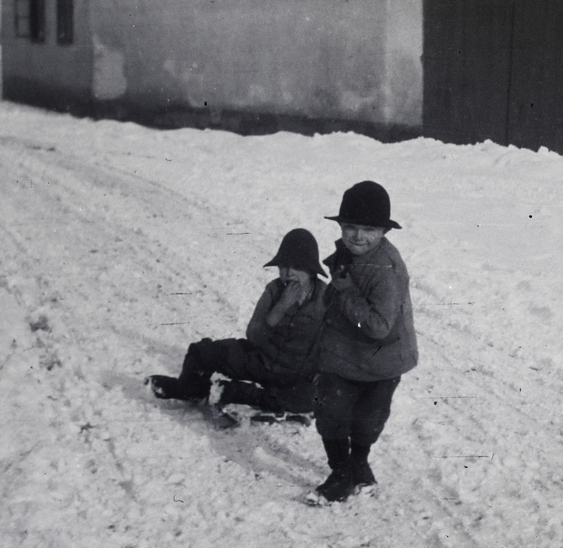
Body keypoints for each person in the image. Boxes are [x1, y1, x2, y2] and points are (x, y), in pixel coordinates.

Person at [147, 228, 327, 427]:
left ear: (311, 270)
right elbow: (254, 336)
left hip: (294, 376)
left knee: (315, 398)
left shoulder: (326, 299)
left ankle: (235, 393)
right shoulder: (274, 290)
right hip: (261, 363)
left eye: (297, 267)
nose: (289, 273)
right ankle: (189, 390)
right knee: (203, 352)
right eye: (284, 266)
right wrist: (280, 308)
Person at [309, 181, 417, 504]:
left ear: (384, 231)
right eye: (350, 227)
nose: (358, 236)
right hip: (345, 355)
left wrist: (345, 293)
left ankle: (359, 463)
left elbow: (379, 326)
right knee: (330, 408)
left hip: (383, 359)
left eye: (368, 229)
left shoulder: (386, 268)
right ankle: (341, 472)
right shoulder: (353, 252)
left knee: (369, 419)